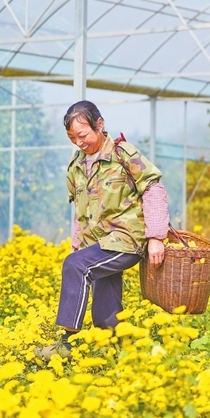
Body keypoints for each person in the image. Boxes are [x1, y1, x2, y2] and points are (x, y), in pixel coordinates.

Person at [35, 101, 169, 360]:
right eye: (72, 137)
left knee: (76, 266)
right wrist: (78, 244)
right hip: (96, 244)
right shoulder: (76, 164)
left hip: (126, 239)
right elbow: (79, 208)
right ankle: (115, 352)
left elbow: (153, 189)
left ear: (100, 124)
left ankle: (67, 342)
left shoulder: (123, 154)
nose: (78, 142)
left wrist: (155, 237)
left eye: (82, 135)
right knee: (105, 304)